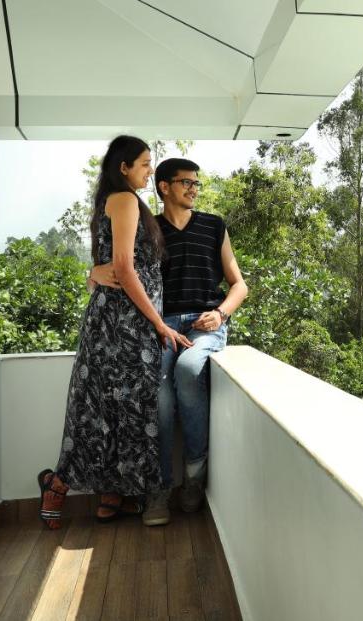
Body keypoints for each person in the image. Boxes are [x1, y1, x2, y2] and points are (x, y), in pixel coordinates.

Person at [36, 136, 188, 530]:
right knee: (112, 408)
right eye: (144, 163)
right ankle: (57, 484)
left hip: (118, 322)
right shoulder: (124, 200)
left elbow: (107, 268)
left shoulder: (116, 201)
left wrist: (94, 275)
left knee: (113, 407)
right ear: (124, 167)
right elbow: (122, 267)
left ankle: (110, 493)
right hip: (125, 326)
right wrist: (158, 322)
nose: (149, 170)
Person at [91, 156, 247, 526]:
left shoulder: (213, 226)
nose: (194, 189)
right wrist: (94, 271)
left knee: (189, 369)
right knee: (159, 402)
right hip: (159, 328)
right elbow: (119, 268)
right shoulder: (148, 229)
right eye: (186, 182)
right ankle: (158, 490)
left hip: (205, 326)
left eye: (196, 183)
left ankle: (194, 478)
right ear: (164, 187)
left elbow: (239, 285)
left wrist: (220, 313)